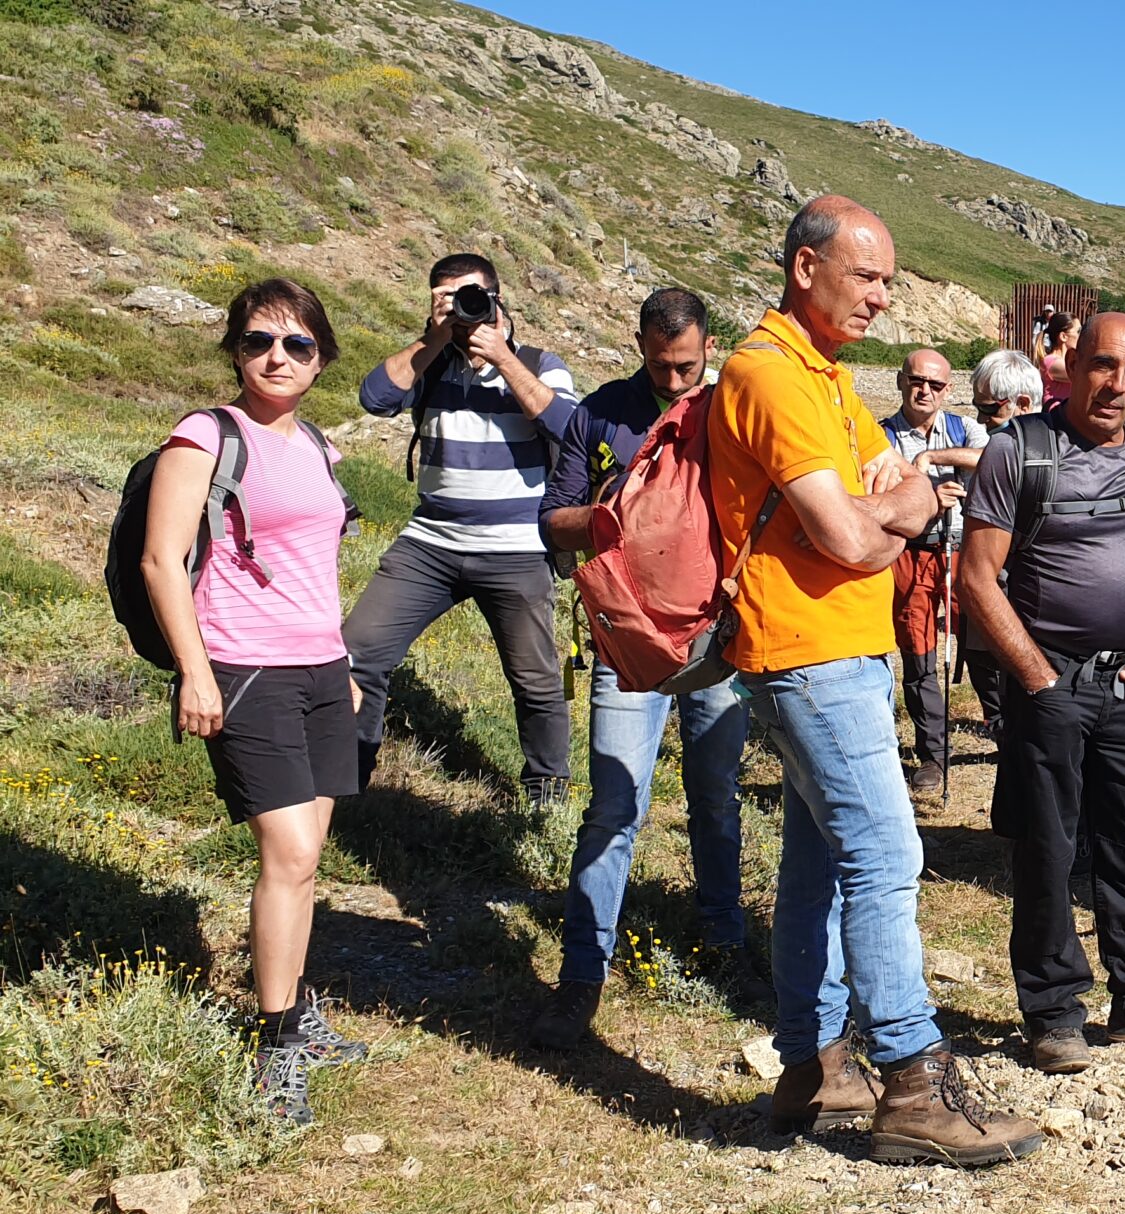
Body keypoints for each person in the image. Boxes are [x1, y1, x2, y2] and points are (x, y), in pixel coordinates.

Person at [710, 195, 1040, 1164]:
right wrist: (894, 502)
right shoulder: (769, 376)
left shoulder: (823, 379)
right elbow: (861, 526)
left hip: (836, 647)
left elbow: (906, 485)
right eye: (867, 276)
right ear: (804, 267)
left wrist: (898, 495)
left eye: (889, 279)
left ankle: (814, 1068)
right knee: (886, 856)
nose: (882, 299)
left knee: (817, 865)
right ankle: (909, 1077)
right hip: (806, 649)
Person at [958, 312, 1125, 1074]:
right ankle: (1052, 1012)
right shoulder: (1020, 450)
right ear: (1071, 363)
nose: (1118, 387)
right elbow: (977, 577)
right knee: (1047, 850)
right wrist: (1036, 675)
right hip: (1052, 686)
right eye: (1105, 366)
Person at [142, 279, 365, 1125]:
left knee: (306, 860)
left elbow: (318, 566)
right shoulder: (206, 436)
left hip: (317, 670)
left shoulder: (318, 446)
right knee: (292, 856)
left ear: (320, 357)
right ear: (236, 350)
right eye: (260, 341)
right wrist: (194, 673)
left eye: (297, 344)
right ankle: (277, 1046)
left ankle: (296, 1013)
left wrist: (339, 659)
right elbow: (163, 562)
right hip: (243, 668)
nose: (277, 357)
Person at [530, 288, 759, 1049]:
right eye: (659, 367)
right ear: (638, 345)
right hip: (626, 646)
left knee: (716, 794)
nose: (672, 381)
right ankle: (581, 975)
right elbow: (550, 520)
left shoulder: (732, 406)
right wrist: (603, 517)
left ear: (710, 344)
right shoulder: (596, 413)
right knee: (612, 807)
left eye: (687, 366)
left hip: (718, 642)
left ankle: (724, 934)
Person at [347, 254, 580, 805]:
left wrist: (500, 357)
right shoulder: (428, 365)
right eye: (449, 298)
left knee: (537, 680)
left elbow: (570, 430)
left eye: (472, 296)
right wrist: (432, 339)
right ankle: (347, 778)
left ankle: (546, 793)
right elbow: (374, 397)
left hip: (517, 548)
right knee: (358, 652)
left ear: (498, 299)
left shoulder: (540, 363)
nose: (464, 308)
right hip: (430, 544)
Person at [881, 348, 990, 797]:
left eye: (936, 384)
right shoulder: (881, 435)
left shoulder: (965, 428)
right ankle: (933, 755)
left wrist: (934, 457)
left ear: (948, 390)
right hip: (912, 550)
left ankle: (1009, 734)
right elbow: (880, 487)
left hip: (966, 550)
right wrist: (928, 494)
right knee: (920, 654)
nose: (924, 391)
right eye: (916, 381)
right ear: (901, 382)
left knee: (986, 644)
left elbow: (996, 459)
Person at [960, 349, 1046, 740]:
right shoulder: (1003, 444)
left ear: (1022, 404)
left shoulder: (1041, 451)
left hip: (1031, 597)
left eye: (990, 409)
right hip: (992, 586)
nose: (981, 419)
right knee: (983, 661)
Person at [1040, 312, 1079, 406]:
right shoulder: (1051, 362)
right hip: (1055, 417)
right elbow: (1083, 375)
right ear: (1063, 336)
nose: (1081, 336)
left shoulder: (1068, 361)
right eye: (1078, 331)